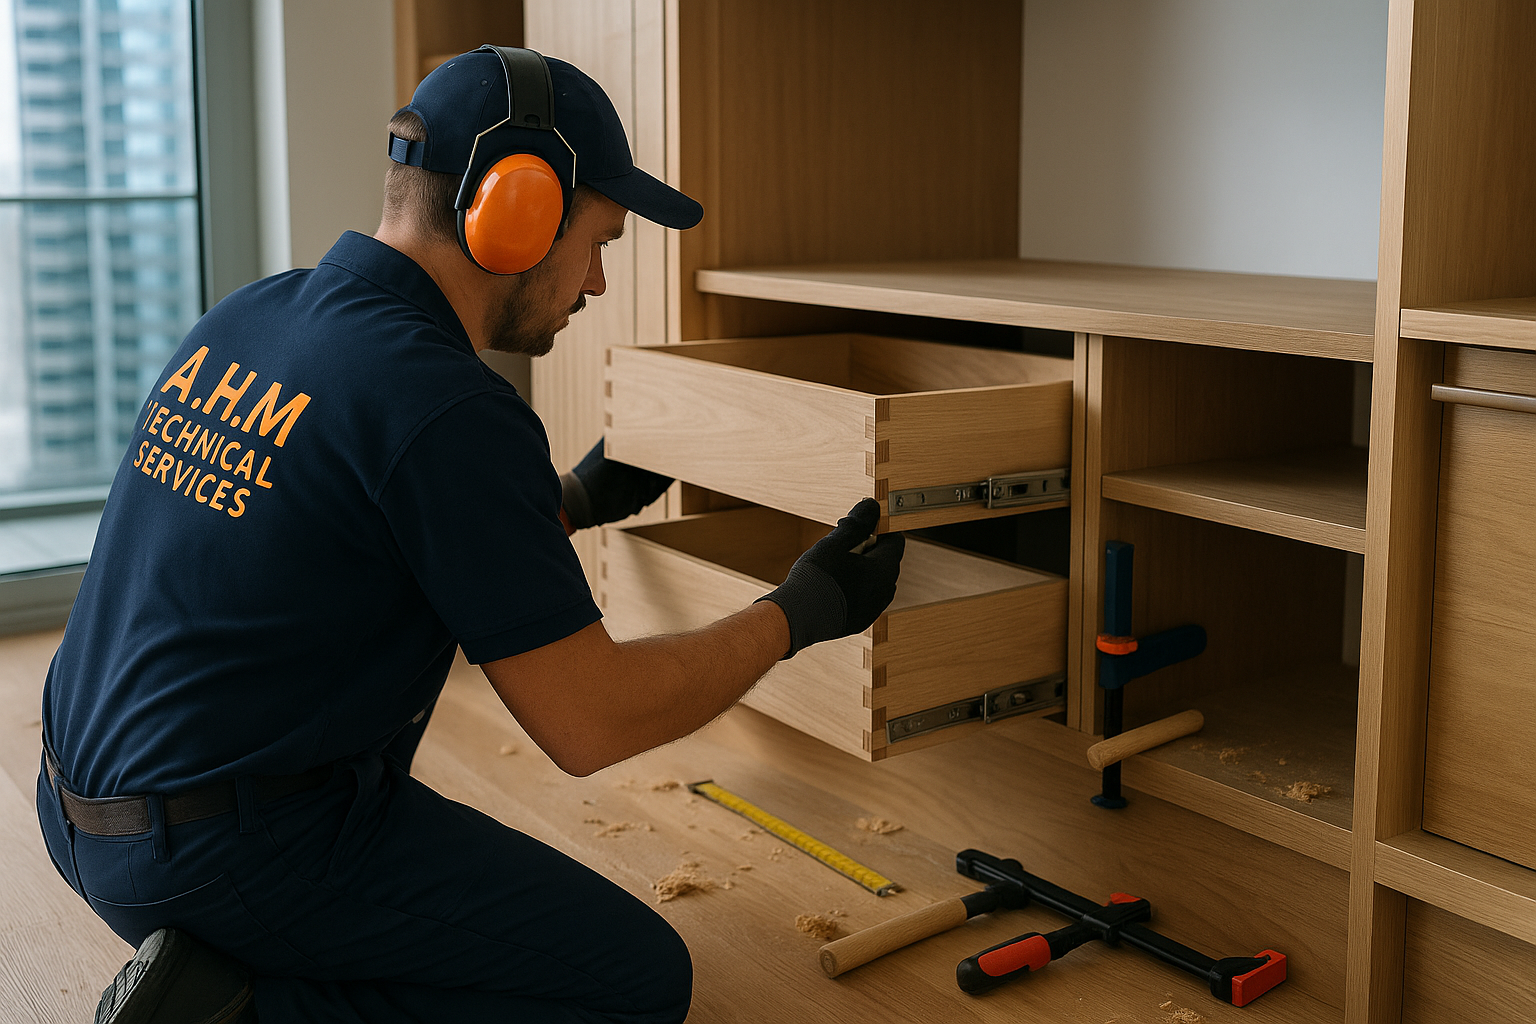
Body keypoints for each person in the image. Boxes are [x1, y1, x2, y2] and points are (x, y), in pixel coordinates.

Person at [35, 46, 905, 1024]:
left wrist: (566, 498)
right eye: (600, 241)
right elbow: (592, 721)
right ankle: (234, 1009)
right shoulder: (449, 406)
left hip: (80, 810)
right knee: (634, 981)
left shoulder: (257, 313)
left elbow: (356, 521)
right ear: (517, 210)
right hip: (214, 852)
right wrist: (797, 611)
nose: (598, 284)